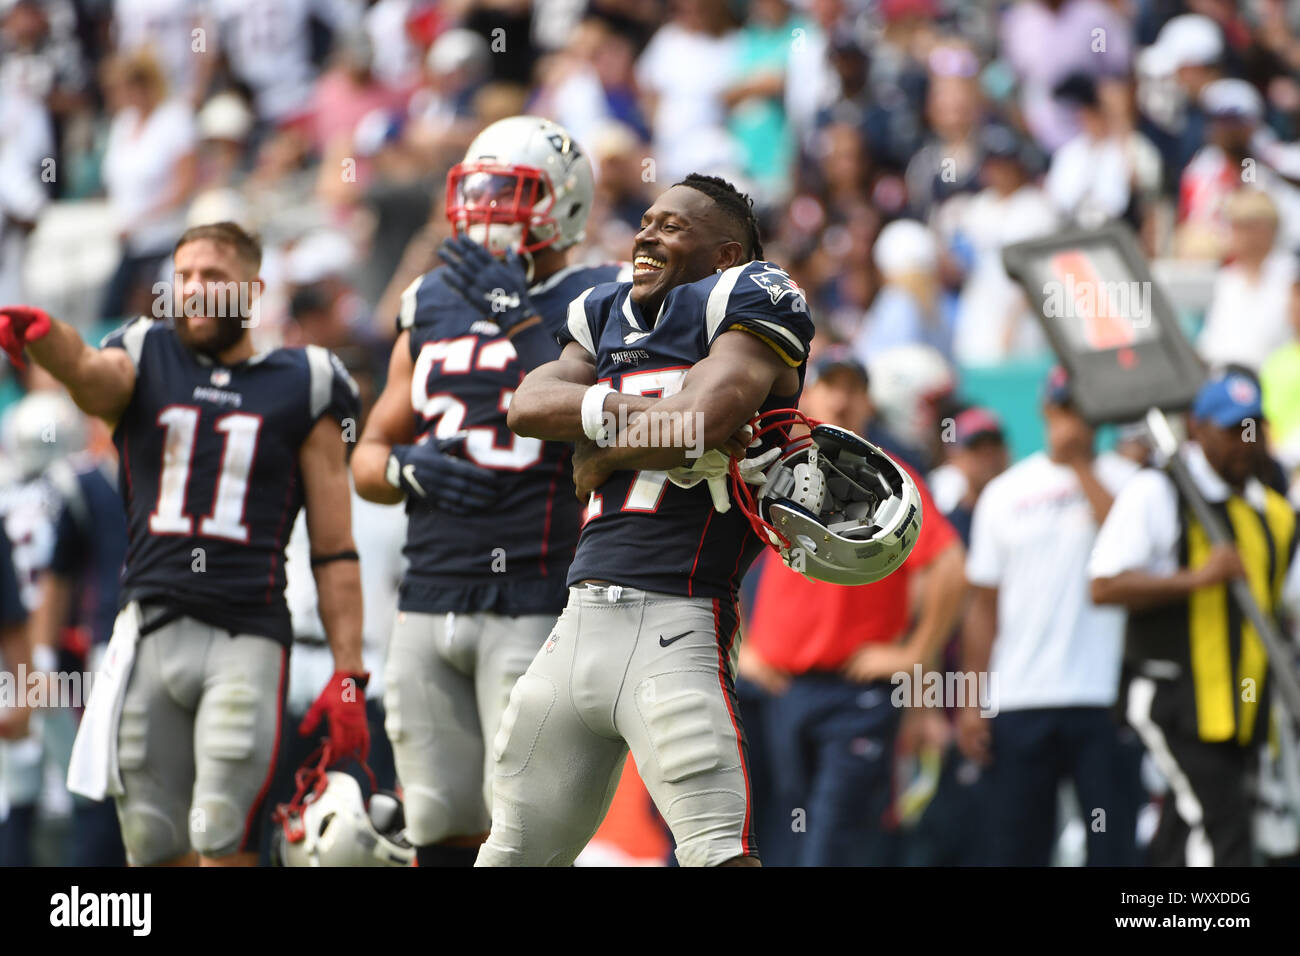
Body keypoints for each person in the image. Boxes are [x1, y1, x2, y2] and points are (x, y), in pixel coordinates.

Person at [0, 220, 368, 867]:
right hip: (148, 631)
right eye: (185, 276)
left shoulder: (306, 381)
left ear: (252, 291)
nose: (194, 290)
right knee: (149, 840)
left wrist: (348, 675)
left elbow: (333, 548)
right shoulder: (145, 353)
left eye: (214, 277)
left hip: (246, 633)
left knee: (221, 831)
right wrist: (48, 340)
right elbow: (89, 373)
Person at [476, 173, 815, 867]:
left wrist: (601, 458)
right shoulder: (602, 310)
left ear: (726, 255)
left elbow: (708, 415)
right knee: (509, 854)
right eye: (647, 220)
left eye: (673, 226)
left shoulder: (747, 293)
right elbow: (528, 404)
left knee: (718, 853)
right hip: (574, 625)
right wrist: (617, 414)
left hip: (678, 621)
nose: (647, 233)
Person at [351, 117, 628, 868]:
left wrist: (521, 318)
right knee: (437, 824)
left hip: (538, 589)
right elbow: (369, 452)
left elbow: (611, 433)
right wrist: (408, 468)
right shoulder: (432, 298)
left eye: (513, 193)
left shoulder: (606, 297)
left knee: (524, 834)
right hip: (428, 589)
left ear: (564, 203)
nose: (489, 210)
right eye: (479, 191)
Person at [739, 349, 965, 866]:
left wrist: (915, 653)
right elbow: (717, 557)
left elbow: (950, 563)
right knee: (790, 843)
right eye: (830, 384)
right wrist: (742, 648)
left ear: (867, 403)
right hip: (782, 692)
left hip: (854, 695)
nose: (842, 398)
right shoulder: (773, 468)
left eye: (854, 388)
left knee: (830, 847)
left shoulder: (888, 479)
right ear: (808, 394)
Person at [1090, 370, 1300, 866]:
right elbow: (1103, 584)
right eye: (1232, 430)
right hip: (1173, 700)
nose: (1246, 443)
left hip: (1246, 708)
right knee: (1222, 831)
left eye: (1253, 428)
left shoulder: (1276, 513)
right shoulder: (1157, 492)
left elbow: (1286, 608)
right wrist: (1196, 578)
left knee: (1183, 833)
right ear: (1196, 429)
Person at [961, 367, 1142, 865]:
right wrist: (972, 701)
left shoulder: (1130, 483)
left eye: (1080, 409)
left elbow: (1127, 552)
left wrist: (1082, 467)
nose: (1072, 422)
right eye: (1063, 409)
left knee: (1114, 847)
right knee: (1019, 847)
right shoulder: (1005, 492)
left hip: (1104, 697)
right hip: (1021, 698)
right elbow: (983, 606)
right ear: (1046, 411)